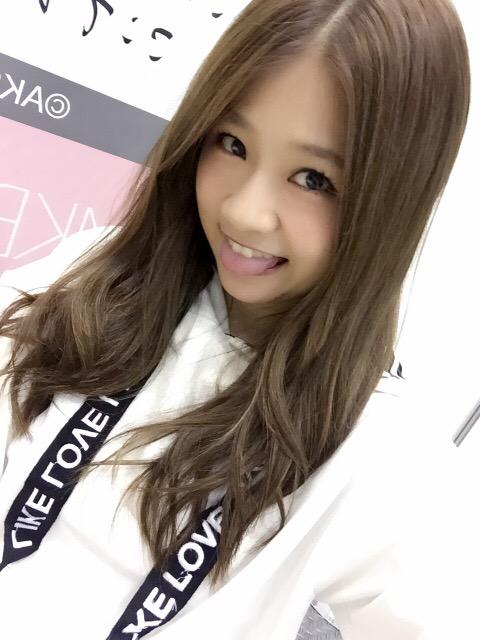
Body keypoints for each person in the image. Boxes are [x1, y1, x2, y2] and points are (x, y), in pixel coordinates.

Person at [0, 0, 474, 638]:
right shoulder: (98, 275)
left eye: (313, 179)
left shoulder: (376, 452)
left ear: (392, 201)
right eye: (233, 144)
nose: (246, 212)